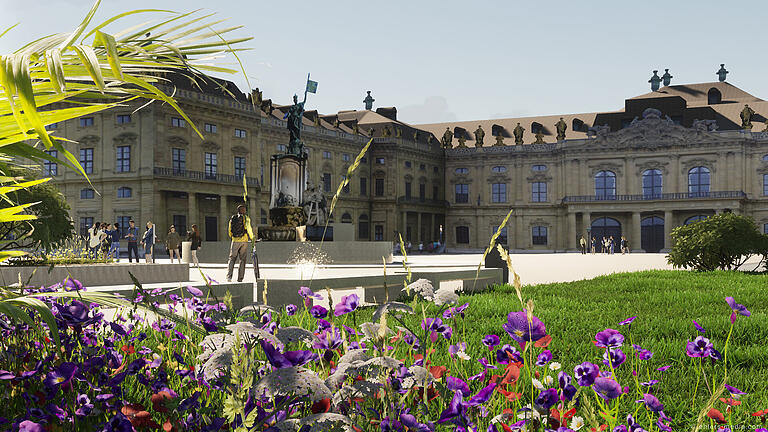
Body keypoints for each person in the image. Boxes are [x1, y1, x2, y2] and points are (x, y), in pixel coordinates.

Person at [226, 204, 254, 282]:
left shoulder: (233, 218)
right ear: (244, 210)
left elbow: (229, 230)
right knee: (242, 260)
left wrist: (233, 237)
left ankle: (229, 277)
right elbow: (249, 229)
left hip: (235, 240)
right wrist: (252, 238)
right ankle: (240, 278)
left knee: (232, 259)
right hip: (244, 241)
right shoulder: (246, 218)